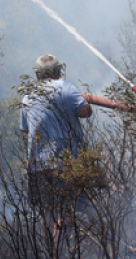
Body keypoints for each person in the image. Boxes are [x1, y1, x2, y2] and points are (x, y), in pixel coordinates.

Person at [19, 55, 93, 235]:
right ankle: (63, 254)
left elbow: (25, 129)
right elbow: (85, 112)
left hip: (38, 165)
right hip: (67, 163)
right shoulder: (68, 89)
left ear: (37, 75)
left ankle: (51, 256)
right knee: (67, 210)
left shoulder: (28, 97)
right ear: (59, 72)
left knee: (47, 212)